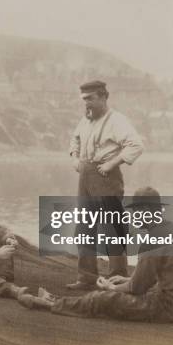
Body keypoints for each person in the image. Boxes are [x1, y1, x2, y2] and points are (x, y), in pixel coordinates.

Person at [19, 187, 173, 323]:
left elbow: (137, 288)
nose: (133, 216)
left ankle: (52, 304)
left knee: (104, 299)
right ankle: (57, 300)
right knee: (119, 286)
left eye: (136, 211)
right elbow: (158, 275)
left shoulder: (153, 240)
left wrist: (110, 287)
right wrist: (125, 280)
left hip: (172, 308)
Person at [66, 80, 144, 290]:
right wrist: (75, 159)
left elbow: (136, 145)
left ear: (103, 97)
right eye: (84, 100)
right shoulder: (86, 120)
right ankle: (86, 278)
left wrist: (111, 163)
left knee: (113, 228)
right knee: (84, 227)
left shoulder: (117, 120)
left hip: (106, 177)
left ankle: (117, 277)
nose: (86, 104)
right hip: (85, 176)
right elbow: (74, 140)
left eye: (90, 99)